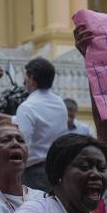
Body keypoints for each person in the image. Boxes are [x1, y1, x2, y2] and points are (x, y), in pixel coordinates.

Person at [14, 57, 69, 191]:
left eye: (26, 77)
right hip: (57, 168)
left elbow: (22, 144)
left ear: (32, 79)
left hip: (34, 173)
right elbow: (44, 122)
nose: (25, 81)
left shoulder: (27, 107)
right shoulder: (60, 103)